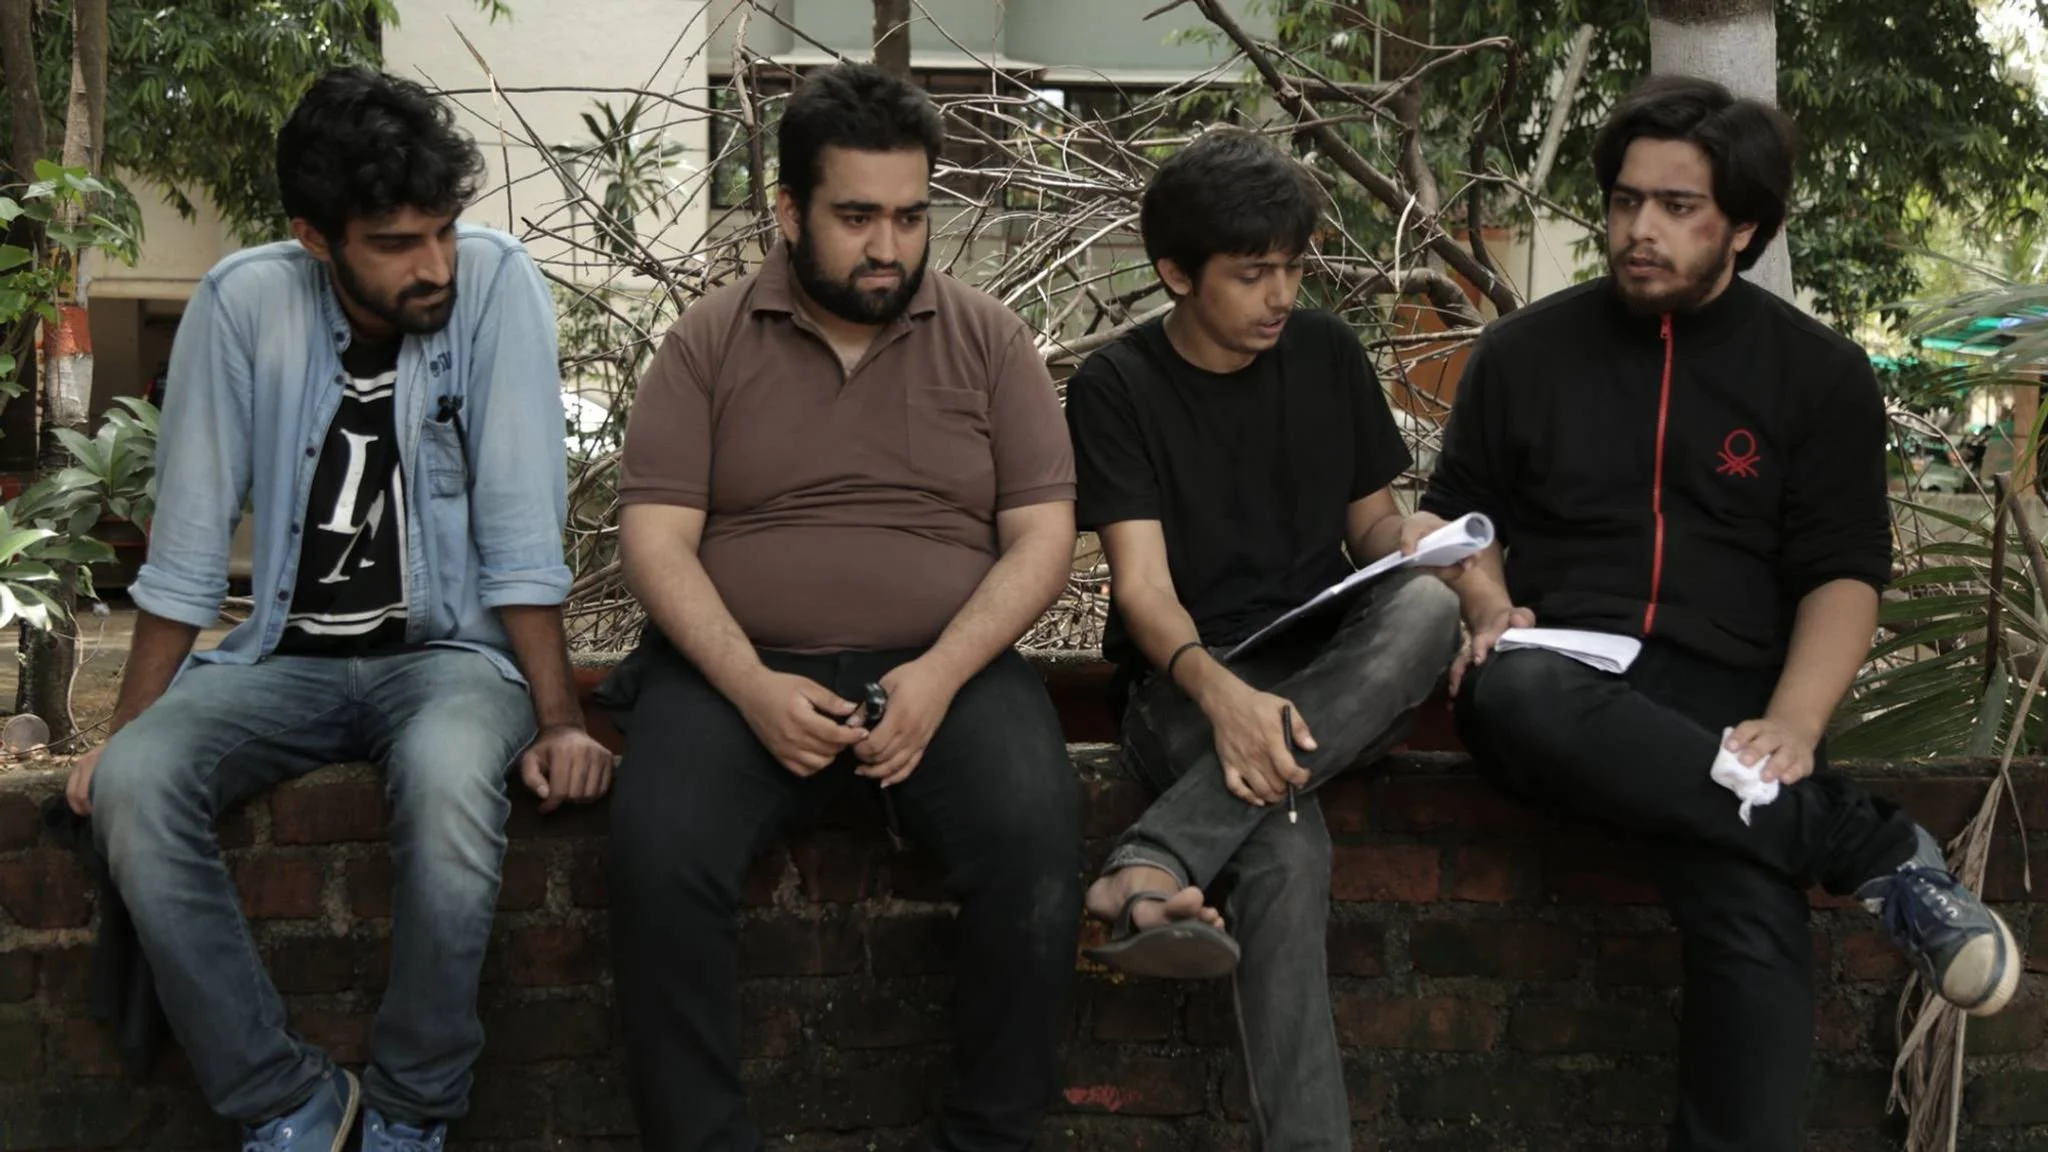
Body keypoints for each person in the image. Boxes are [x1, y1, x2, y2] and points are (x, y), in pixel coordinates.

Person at [1413, 74, 2019, 1152]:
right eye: (1624, 201)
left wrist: (1793, 723)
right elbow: (1453, 517)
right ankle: (1865, 845)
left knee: (1748, 905)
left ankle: (1796, 828)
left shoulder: (1817, 375)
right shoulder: (1522, 353)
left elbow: (1842, 574)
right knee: (1514, 686)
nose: (1638, 229)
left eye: (1677, 206)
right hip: (1559, 671)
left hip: (1722, 696)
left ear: (1742, 225)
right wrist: (1491, 600)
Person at [62, 67, 615, 1152]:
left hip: (450, 659)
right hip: (282, 658)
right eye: (397, 244)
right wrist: (126, 733)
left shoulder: (498, 287)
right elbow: (185, 550)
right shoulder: (242, 302)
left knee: (451, 781)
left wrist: (559, 720)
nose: (434, 265)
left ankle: (411, 1111)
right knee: (132, 784)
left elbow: (520, 527)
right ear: (314, 237)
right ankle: (287, 1104)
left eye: (444, 231)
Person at [602, 63, 1082, 1152]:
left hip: (946, 670)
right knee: (656, 856)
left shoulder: (990, 341)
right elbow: (655, 542)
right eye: (856, 217)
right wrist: (749, 685)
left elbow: (1042, 539)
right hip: (736, 672)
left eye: (910, 217)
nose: (887, 247)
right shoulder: (708, 341)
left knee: (1035, 843)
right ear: (789, 212)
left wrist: (941, 674)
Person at [1065, 128, 1461, 1150]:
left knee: (1427, 606)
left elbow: (1367, 527)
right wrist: (1224, 697)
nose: (1280, 295)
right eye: (1251, 274)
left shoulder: (1324, 353)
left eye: (1291, 267)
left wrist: (1414, 541)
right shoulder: (1116, 387)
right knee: (1285, 850)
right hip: (1185, 683)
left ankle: (1151, 859)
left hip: (1325, 668)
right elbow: (1143, 590)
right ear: (1175, 273)